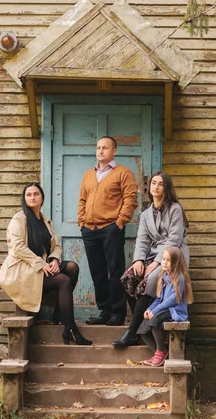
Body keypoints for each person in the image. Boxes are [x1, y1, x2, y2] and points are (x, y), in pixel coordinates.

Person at [0, 182, 92, 346]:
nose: (32, 197)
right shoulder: (19, 219)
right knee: (64, 280)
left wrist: (54, 260)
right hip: (24, 270)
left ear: (42, 197)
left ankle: (59, 313)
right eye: (28, 195)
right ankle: (70, 329)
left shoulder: (45, 221)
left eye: (36, 194)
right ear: (24, 198)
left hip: (40, 267)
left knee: (72, 267)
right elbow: (18, 247)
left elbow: (56, 245)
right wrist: (42, 264)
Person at [112, 170, 189, 346]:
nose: (156, 187)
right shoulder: (146, 213)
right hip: (153, 255)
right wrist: (138, 260)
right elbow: (143, 239)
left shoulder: (174, 209)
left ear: (167, 187)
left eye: (160, 184)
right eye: (153, 183)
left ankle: (132, 331)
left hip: (174, 256)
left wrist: (155, 263)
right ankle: (141, 326)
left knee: (151, 279)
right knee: (128, 278)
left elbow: (174, 239)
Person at [78, 136, 138, 326]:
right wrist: (81, 221)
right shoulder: (89, 174)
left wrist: (120, 222)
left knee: (115, 271)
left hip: (111, 229)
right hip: (89, 230)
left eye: (105, 148)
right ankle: (104, 311)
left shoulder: (123, 173)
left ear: (114, 151)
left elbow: (130, 199)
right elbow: (82, 200)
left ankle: (117, 313)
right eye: (98, 148)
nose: (100, 151)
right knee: (98, 273)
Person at [138, 246, 193, 366]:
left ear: (176, 262)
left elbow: (173, 300)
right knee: (142, 329)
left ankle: (160, 353)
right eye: (163, 259)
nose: (164, 262)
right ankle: (160, 353)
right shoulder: (164, 277)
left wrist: (155, 311)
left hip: (175, 312)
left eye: (168, 260)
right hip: (164, 310)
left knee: (154, 320)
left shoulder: (179, 278)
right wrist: (149, 309)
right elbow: (159, 299)